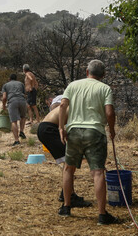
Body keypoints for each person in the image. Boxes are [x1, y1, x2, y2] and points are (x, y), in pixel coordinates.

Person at [57, 60, 118, 225]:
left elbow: (62, 105)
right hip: (95, 132)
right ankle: (102, 215)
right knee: (98, 172)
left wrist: (62, 128)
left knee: (68, 169)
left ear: (86, 72)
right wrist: (111, 130)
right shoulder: (105, 88)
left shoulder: (73, 85)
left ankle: (66, 207)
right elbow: (110, 113)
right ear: (103, 75)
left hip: (74, 131)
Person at [37, 105, 92, 207]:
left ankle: (66, 193)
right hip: (48, 129)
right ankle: (70, 196)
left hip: (47, 128)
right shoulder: (76, 105)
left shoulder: (74, 102)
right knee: (69, 163)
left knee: (70, 163)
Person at [1, 73, 28, 146]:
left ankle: (16, 140)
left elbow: (4, 97)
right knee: (23, 116)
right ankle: (21, 131)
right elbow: (25, 94)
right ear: (16, 79)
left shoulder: (6, 85)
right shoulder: (21, 84)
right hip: (22, 100)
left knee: (14, 121)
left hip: (12, 101)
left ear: (9, 79)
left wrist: (4, 105)